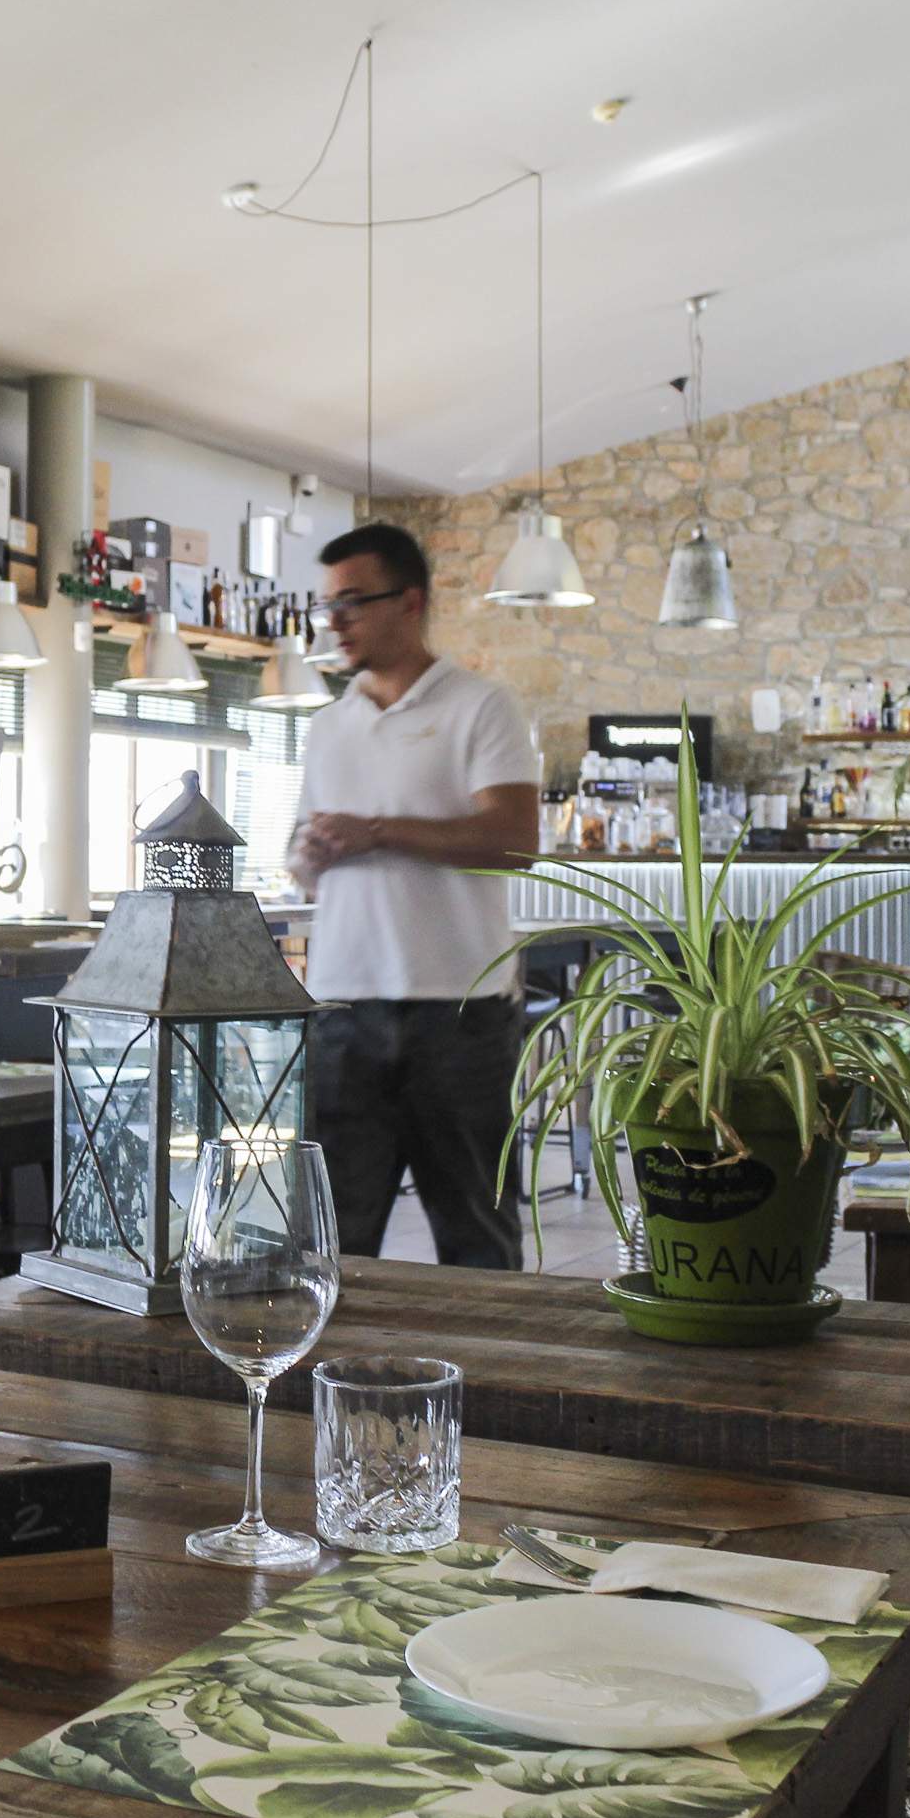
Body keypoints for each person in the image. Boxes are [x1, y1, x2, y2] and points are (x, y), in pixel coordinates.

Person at [288, 523, 541, 1267]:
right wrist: (310, 855)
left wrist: (377, 831)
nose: (334, 620)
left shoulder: (481, 706)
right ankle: (325, 1384)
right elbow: (305, 864)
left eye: (353, 601)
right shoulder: (327, 727)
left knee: (478, 1243)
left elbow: (514, 840)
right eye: (328, 604)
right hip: (339, 1013)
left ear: (410, 602)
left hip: (457, 1017)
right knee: (330, 1246)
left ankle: (497, 1382)